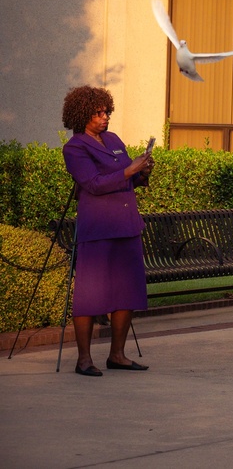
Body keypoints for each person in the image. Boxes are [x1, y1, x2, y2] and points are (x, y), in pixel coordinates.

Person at [61, 86, 154, 377]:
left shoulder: (113, 139)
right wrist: (128, 171)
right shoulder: (75, 147)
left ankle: (118, 355)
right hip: (98, 227)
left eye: (107, 112)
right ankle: (84, 360)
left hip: (126, 223)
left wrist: (141, 173)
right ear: (82, 115)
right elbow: (94, 184)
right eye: (98, 113)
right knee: (90, 294)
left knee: (128, 291)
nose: (105, 118)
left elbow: (125, 181)